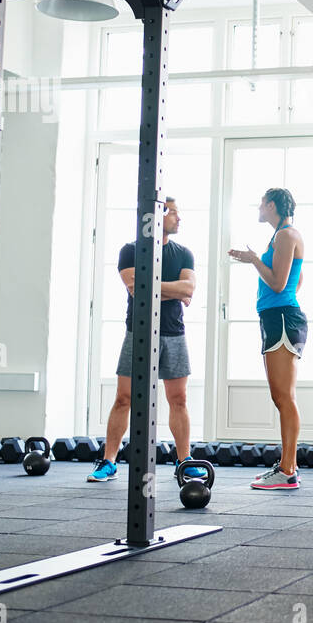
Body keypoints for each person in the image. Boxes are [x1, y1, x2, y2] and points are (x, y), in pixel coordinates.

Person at [88, 197, 199, 485]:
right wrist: (174, 291)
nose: (178, 218)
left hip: (173, 332)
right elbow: (137, 289)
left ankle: (184, 460)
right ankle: (109, 461)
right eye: (174, 212)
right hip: (137, 332)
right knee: (124, 398)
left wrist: (155, 285)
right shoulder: (130, 251)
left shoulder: (184, 253)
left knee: (179, 399)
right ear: (158, 215)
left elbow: (188, 287)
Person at [229, 187, 306, 490]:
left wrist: (253, 260)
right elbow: (297, 279)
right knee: (281, 396)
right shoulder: (281, 236)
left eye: (261, 204)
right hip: (277, 317)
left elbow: (278, 283)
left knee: (283, 396)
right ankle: (289, 466)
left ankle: (287, 470)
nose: (259, 208)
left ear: (272, 205)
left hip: (283, 318)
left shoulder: (286, 235)